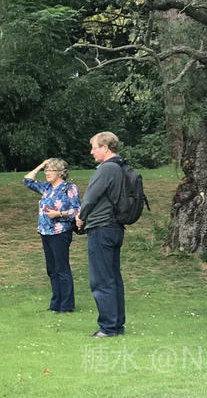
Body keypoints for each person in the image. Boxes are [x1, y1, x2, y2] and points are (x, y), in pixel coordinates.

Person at [75, 131, 125, 338]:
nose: (91, 152)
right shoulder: (121, 166)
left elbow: (90, 197)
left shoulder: (106, 169)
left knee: (101, 280)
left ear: (105, 148)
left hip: (101, 227)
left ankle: (108, 327)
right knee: (113, 278)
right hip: (115, 226)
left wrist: (81, 216)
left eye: (94, 147)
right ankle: (116, 324)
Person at [23, 158, 80, 313]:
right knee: (52, 269)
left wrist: (58, 213)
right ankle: (55, 303)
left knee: (62, 268)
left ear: (60, 172)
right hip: (45, 231)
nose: (47, 173)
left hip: (60, 231)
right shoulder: (46, 187)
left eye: (50, 170)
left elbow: (77, 210)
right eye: (46, 170)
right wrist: (41, 165)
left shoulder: (69, 188)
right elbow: (27, 180)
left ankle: (67, 305)